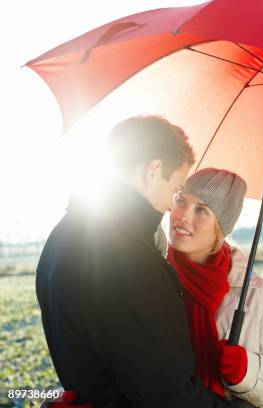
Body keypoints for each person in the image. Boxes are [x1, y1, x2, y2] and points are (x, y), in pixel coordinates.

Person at [36, 116, 239, 407]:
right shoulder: (130, 260)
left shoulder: (61, 238)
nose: (172, 205)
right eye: (175, 189)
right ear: (154, 170)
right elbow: (167, 394)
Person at [167, 168, 263, 408]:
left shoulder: (256, 293)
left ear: (221, 226)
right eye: (180, 201)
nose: (182, 215)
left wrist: (247, 372)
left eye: (201, 210)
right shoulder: (152, 277)